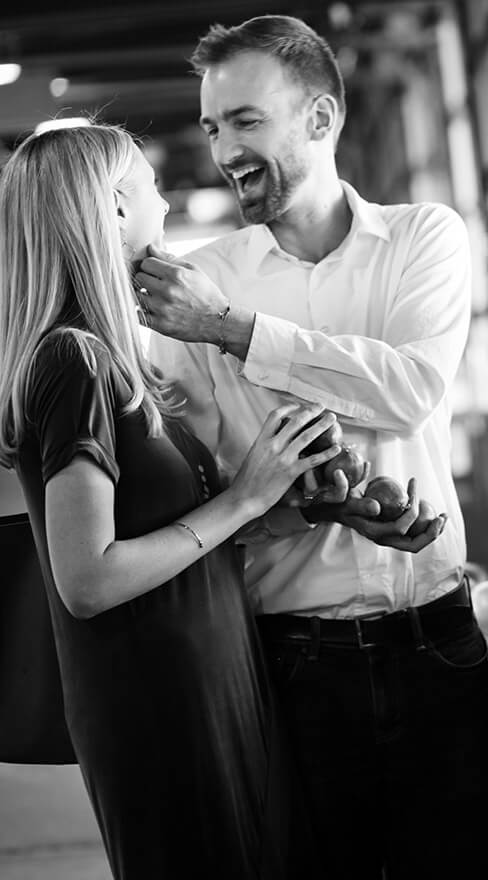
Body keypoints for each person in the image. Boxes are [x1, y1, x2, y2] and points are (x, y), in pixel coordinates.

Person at [139, 15, 488, 879]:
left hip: (436, 636)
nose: (224, 148)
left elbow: (410, 388)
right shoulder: (198, 283)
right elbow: (209, 490)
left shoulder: (424, 239)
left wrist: (233, 331)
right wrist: (297, 507)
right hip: (293, 657)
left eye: (246, 120)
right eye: (214, 125)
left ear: (322, 120)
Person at [0, 123, 339, 879]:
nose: (163, 198)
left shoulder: (110, 359)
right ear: (116, 208)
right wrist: (244, 499)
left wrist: (290, 504)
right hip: (157, 700)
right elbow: (86, 580)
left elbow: (170, 535)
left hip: (205, 675)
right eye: (150, 185)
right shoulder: (73, 361)